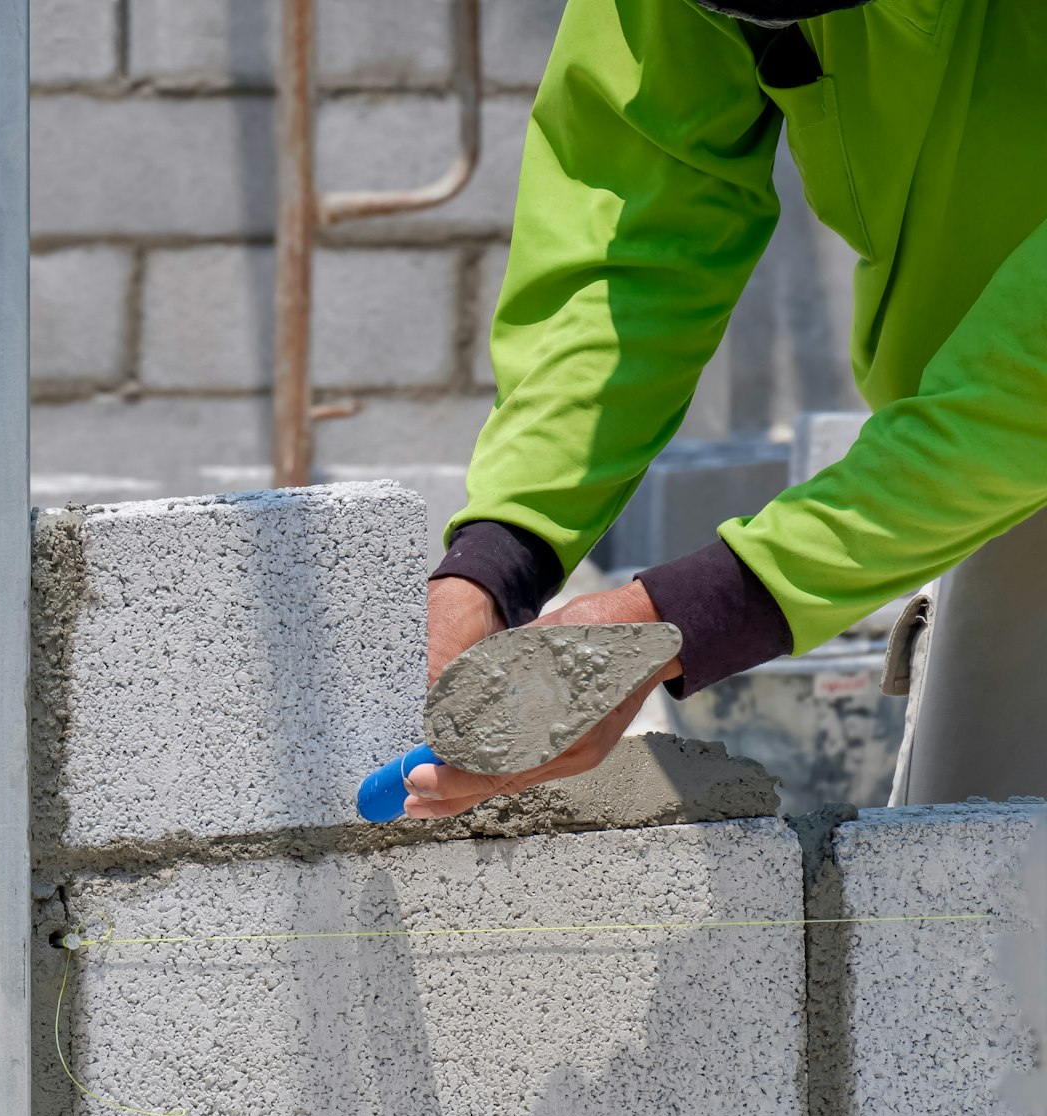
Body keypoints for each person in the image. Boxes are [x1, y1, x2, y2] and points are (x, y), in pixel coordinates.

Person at [405, 0, 1047, 819]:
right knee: (980, 896)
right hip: (989, 481)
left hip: (1004, 431)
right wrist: (501, 554)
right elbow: (635, 215)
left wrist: (696, 610)